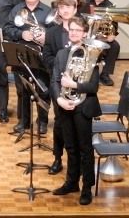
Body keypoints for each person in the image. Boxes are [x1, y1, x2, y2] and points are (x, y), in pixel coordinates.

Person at [50, 16, 101, 206]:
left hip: (83, 107)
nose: (74, 33)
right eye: (71, 29)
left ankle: (87, 186)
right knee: (70, 147)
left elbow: (93, 86)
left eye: (78, 30)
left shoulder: (92, 53)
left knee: (85, 149)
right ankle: (71, 182)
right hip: (65, 107)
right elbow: (55, 80)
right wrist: (59, 99)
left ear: (85, 33)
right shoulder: (62, 54)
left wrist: (74, 84)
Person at [2, 0, 51, 133]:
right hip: (21, 54)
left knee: (43, 89)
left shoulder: (47, 11)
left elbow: (54, 32)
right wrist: (21, 34)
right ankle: (24, 121)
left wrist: (45, 36)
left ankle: (42, 122)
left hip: (41, 55)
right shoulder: (17, 9)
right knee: (22, 90)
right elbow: (7, 28)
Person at [41, 0, 80, 175]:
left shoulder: (81, 30)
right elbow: (46, 56)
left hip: (78, 84)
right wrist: (59, 69)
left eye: (68, 7)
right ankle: (57, 158)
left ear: (75, 9)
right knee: (59, 123)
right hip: (58, 83)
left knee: (78, 122)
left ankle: (77, 160)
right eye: (61, 7)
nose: (64, 11)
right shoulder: (52, 32)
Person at [84, 0, 119, 87]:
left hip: (101, 37)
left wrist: (112, 35)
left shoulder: (110, 6)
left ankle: (105, 75)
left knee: (115, 46)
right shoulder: (84, 1)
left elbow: (114, 25)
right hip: (85, 35)